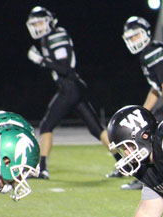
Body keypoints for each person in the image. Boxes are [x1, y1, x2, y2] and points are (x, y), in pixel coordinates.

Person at [26, 6, 111, 180]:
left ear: (50, 21)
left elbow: (64, 68)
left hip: (69, 87)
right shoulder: (48, 38)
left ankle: (42, 169)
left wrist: (41, 61)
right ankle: (125, 162)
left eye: (41, 22)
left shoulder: (56, 36)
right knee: (96, 129)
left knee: (46, 125)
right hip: (73, 87)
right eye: (35, 24)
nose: (38, 27)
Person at [120, 16, 163, 190]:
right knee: (143, 129)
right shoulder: (150, 51)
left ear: (145, 33)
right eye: (131, 37)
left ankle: (145, 179)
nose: (134, 40)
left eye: (136, 36)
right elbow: (156, 88)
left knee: (145, 137)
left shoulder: (152, 52)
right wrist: (143, 112)